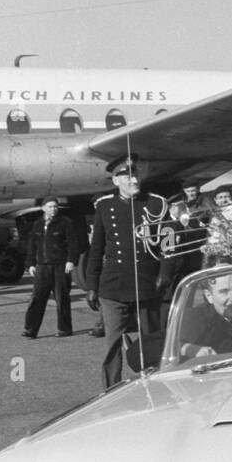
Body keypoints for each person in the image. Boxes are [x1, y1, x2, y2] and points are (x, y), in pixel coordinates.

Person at [86, 157, 168, 388]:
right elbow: (96, 249)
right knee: (113, 344)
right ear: (116, 180)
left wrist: (165, 273)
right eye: (127, 176)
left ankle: (156, 384)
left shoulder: (155, 204)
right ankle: (110, 388)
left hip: (146, 283)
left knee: (152, 340)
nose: (133, 180)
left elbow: (169, 245)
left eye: (135, 175)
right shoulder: (104, 206)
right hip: (113, 285)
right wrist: (92, 285)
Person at [22, 197, 82, 338]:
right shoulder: (37, 224)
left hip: (60, 266)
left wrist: (71, 261)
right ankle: (30, 329)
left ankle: (64, 329)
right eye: (50, 206)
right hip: (43, 267)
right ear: (43, 208)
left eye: (55, 206)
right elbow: (32, 246)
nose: (53, 209)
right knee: (37, 298)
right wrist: (30, 264)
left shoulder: (65, 223)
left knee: (62, 298)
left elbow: (73, 243)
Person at [158, 194, 207, 312]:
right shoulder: (169, 225)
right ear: (173, 208)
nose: (186, 210)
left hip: (181, 269)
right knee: (170, 302)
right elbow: (169, 252)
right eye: (182, 207)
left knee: (183, 302)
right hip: (173, 270)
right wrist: (168, 274)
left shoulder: (180, 223)